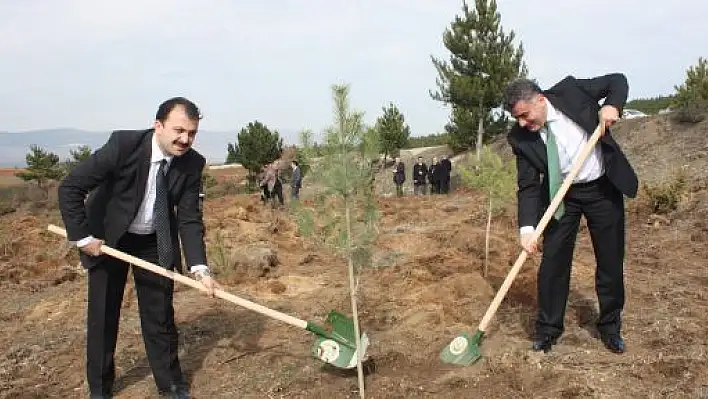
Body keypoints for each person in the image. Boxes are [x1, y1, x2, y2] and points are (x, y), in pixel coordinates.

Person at [57, 97, 220, 399]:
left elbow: (189, 218)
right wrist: (83, 238)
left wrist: (200, 268)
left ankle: (170, 384)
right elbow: (70, 187)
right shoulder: (124, 146)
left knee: (160, 315)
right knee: (103, 315)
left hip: (154, 240)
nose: (185, 139)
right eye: (179, 130)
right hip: (108, 239)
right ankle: (100, 388)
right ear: (158, 125)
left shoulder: (192, 163)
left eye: (192, 133)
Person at [503, 74, 638, 355]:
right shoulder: (520, 138)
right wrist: (527, 229)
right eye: (517, 118)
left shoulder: (571, 91)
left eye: (525, 116)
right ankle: (548, 329)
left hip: (602, 188)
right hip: (561, 196)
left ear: (540, 100)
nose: (522, 124)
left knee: (610, 261)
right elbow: (528, 186)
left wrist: (613, 105)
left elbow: (618, 80)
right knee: (553, 263)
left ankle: (610, 326)